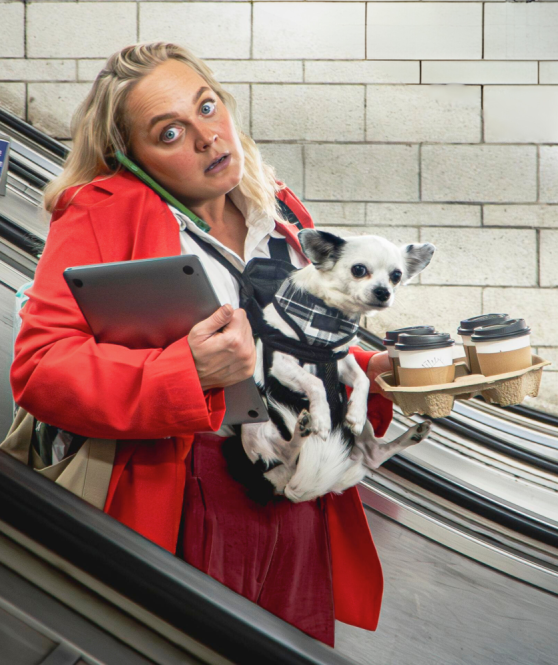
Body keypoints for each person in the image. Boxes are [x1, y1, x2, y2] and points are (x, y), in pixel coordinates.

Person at [10, 42, 393, 647]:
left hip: (298, 497)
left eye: (208, 108)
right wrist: (184, 372)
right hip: (190, 490)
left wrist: (379, 370)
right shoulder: (101, 214)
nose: (208, 137)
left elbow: (294, 336)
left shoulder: (277, 204)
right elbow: (41, 367)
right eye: (169, 133)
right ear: (130, 157)